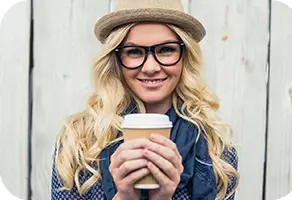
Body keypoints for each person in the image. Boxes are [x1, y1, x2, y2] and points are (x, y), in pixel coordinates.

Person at [51, 0, 239, 199]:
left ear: (185, 55)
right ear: (116, 60)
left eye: (166, 50)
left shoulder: (216, 149)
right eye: (134, 52)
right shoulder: (78, 141)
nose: (150, 67)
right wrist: (125, 196)